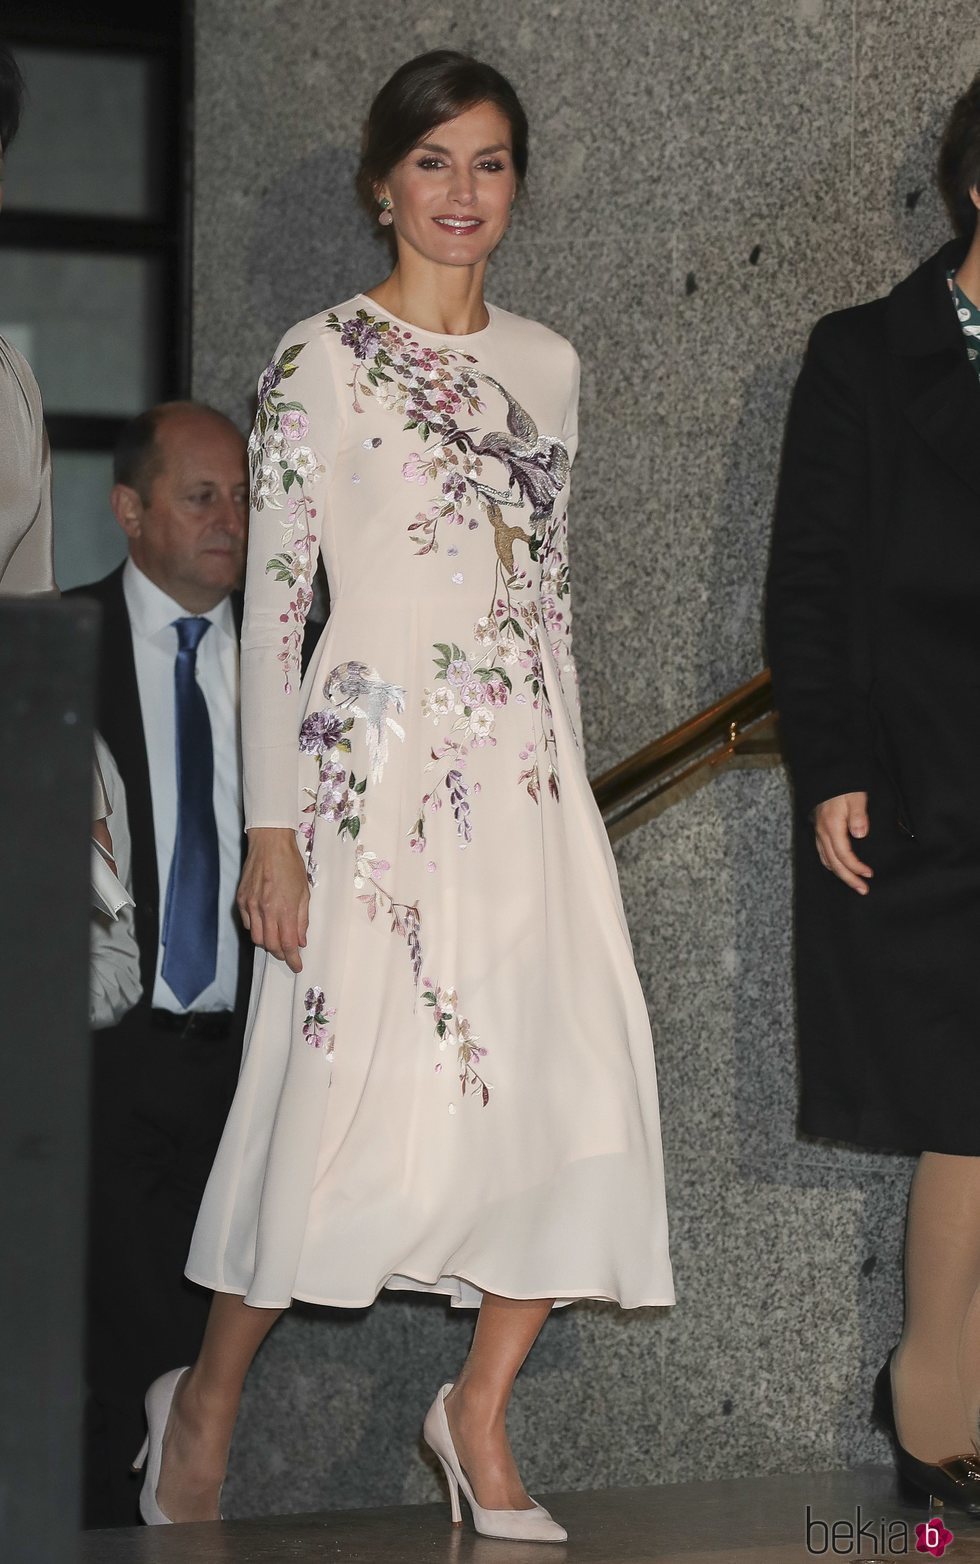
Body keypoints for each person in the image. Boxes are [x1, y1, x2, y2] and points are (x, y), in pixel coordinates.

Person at [136, 50, 674, 1540]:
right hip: (363, 792)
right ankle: (206, 1401)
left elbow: (548, 605)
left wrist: (567, 796)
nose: (460, 194)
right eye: (432, 163)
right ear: (385, 182)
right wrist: (271, 832)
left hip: (520, 788)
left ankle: (477, 1415)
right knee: (323, 1116)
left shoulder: (554, 369)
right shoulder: (317, 359)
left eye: (489, 163)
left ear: (517, 188)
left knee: (576, 1086)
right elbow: (277, 604)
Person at [767, 74, 980, 1513]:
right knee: (967, 1098)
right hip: (928, 777)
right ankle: (935, 1386)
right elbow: (815, 579)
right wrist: (832, 761)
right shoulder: (865, 353)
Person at [70, 403, 252, 1527]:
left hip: (246, 1060)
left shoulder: (296, 660)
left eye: (242, 497)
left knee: (194, 1360)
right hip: (102, 1056)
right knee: (104, 1356)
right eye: (201, 497)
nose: (231, 522)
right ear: (129, 511)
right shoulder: (55, 643)